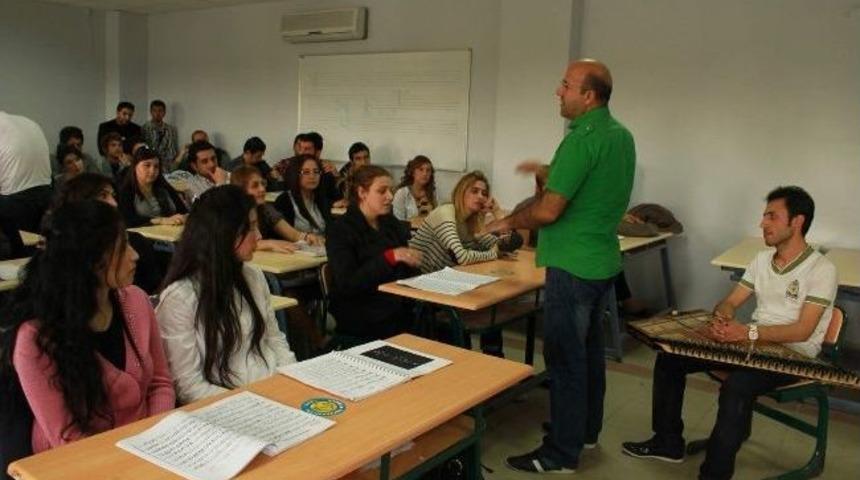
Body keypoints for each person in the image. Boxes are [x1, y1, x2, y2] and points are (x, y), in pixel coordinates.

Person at [622, 186, 836, 480]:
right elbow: (731, 302)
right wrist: (723, 316)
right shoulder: (761, 260)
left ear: (797, 222)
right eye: (764, 216)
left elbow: (803, 330)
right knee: (670, 358)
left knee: (738, 386)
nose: (763, 223)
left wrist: (746, 333)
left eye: (772, 217)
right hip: (751, 344)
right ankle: (667, 442)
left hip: (793, 355)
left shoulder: (821, 269)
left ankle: (714, 474)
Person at [485, 59, 635, 474]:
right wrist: (547, 171)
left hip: (572, 265)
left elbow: (549, 210)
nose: (558, 91)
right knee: (589, 355)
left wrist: (507, 221)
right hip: (601, 262)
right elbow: (592, 181)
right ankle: (583, 432)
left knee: (565, 359)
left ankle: (560, 454)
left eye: (566, 85)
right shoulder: (620, 135)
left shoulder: (580, 140)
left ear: (588, 96)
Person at [0, 200, 174, 454]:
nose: (135, 255)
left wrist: (155, 438)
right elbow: (67, 438)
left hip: (150, 447)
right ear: (91, 260)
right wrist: (133, 456)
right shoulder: (36, 337)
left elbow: (160, 383)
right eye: (122, 248)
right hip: (79, 460)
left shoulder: (136, 300)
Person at [156, 185, 296, 404]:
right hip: (227, 407)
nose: (259, 236)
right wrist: (254, 403)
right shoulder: (180, 298)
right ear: (225, 233)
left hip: (273, 390)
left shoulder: (253, 275)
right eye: (250, 227)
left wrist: (292, 381)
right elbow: (189, 386)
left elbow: (274, 340)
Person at [409, 170, 514, 355]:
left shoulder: (470, 221)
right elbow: (462, 257)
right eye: (474, 191)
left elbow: (507, 245)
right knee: (483, 304)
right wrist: (493, 254)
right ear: (461, 192)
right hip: (424, 290)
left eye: (484, 193)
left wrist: (497, 213)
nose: (480, 197)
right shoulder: (446, 213)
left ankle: (493, 357)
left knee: (491, 303)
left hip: (449, 285)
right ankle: (470, 357)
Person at [326, 165, 422, 341]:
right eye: (382, 191)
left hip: (395, 304)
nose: (390, 196)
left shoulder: (389, 223)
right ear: (362, 193)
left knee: (430, 317)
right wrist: (389, 258)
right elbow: (348, 283)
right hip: (361, 311)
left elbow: (404, 266)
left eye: (391, 191)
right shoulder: (340, 230)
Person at [46, 173, 166, 293]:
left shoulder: (136, 242)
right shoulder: (65, 252)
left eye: (113, 196)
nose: (114, 203)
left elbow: (155, 289)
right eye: (103, 195)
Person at [0, 111, 53, 259]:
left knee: (20, 253)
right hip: (46, 191)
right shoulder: (26, 121)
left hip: (15, 198)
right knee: (40, 248)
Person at [117, 147, 188, 228]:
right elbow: (128, 221)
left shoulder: (164, 186)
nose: (152, 171)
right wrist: (161, 220)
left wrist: (182, 218)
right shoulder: (126, 191)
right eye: (147, 165)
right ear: (135, 167)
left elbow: (183, 211)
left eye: (156, 166)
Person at [273, 154, 330, 244]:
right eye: (306, 172)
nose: (312, 176)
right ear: (295, 174)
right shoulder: (284, 201)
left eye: (316, 172)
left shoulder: (321, 199)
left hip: (321, 248)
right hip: (296, 249)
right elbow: (280, 237)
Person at [392, 155, 437, 222]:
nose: (425, 174)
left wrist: (432, 214)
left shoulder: (432, 193)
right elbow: (397, 222)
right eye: (421, 169)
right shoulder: (402, 193)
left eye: (428, 170)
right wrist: (417, 219)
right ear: (413, 172)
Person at [141, 100, 178, 172]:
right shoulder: (145, 128)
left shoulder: (170, 129)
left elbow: (171, 149)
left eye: (160, 111)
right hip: (150, 163)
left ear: (164, 113)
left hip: (166, 165)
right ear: (151, 112)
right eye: (154, 111)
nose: (157, 113)